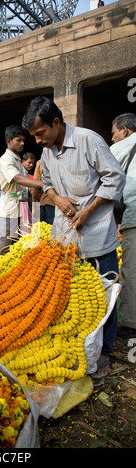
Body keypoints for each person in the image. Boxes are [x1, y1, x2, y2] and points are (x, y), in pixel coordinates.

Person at [22, 96, 125, 378]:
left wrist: (89, 210)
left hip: (97, 235)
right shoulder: (46, 153)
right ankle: (79, 345)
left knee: (103, 298)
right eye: (34, 136)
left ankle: (104, 349)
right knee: (73, 297)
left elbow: (115, 178)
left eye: (40, 134)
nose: (38, 141)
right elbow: (47, 184)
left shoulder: (88, 140)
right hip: (65, 238)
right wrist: (57, 198)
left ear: (56, 122)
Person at [0, 125, 43, 257]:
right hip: (9, 209)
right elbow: (18, 178)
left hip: (20, 207)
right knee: (3, 247)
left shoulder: (16, 159)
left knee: (17, 246)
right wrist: (41, 184)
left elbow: (26, 181)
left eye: (23, 140)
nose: (22, 143)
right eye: (18, 140)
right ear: (9, 141)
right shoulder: (6, 160)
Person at [110, 112, 136, 337]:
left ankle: (128, 321)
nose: (112, 139)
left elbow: (100, 168)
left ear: (125, 131)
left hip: (134, 217)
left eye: (114, 134)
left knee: (131, 268)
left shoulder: (125, 145)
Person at [33, 159, 55, 225]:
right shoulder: (63, 159)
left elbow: (35, 185)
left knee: (43, 230)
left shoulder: (40, 162)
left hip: (44, 201)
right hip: (59, 202)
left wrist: (34, 205)